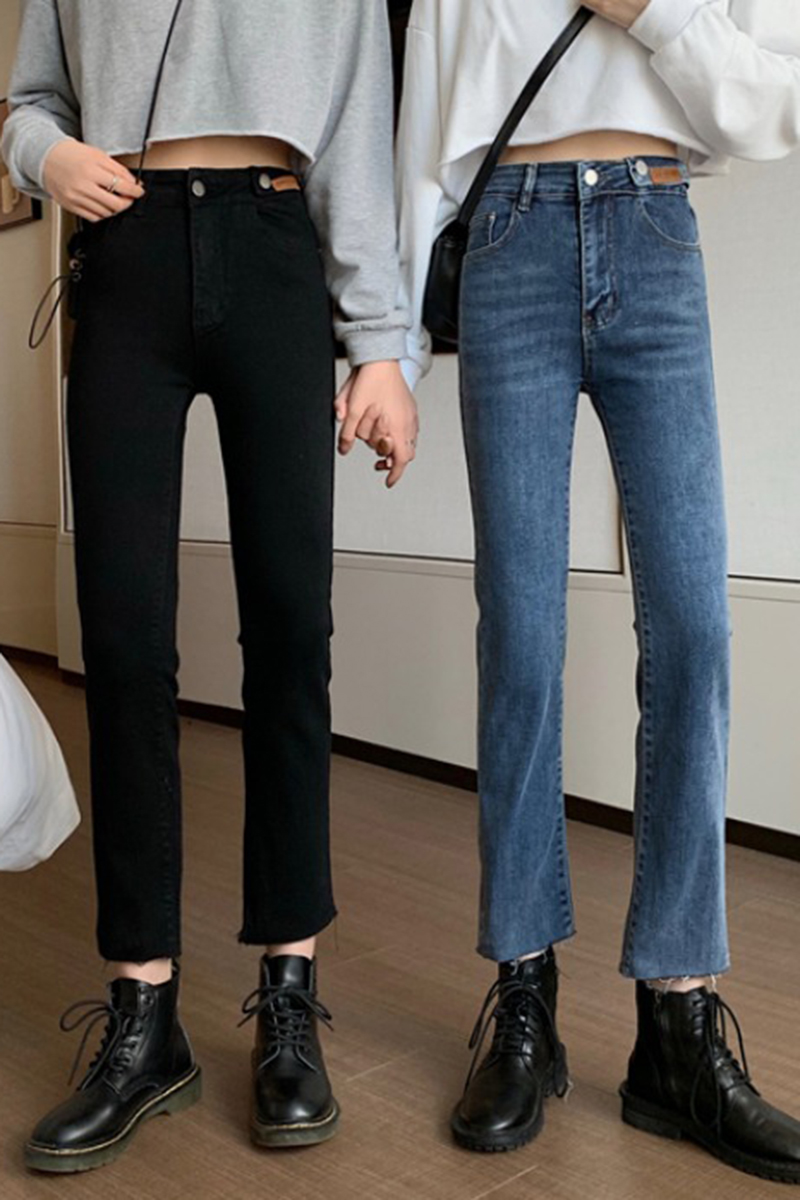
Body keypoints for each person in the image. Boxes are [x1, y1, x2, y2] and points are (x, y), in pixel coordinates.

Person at [2, 0, 418, 1173]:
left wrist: (379, 342)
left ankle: (289, 993)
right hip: (123, 249)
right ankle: (143, 1015)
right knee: (123, 638)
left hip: (276, 242)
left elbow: (355, 131)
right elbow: (29, 103)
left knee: (289, 631)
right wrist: (48, 158)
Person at [395, 0, 800, 1182]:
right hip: (505, 239)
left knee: (694, 630)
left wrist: (649, 12)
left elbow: (776, 101)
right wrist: (388, 353)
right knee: (520, 634)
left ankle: (675, 1028)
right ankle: (522, 995)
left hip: (653, 224)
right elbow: (422, 145)